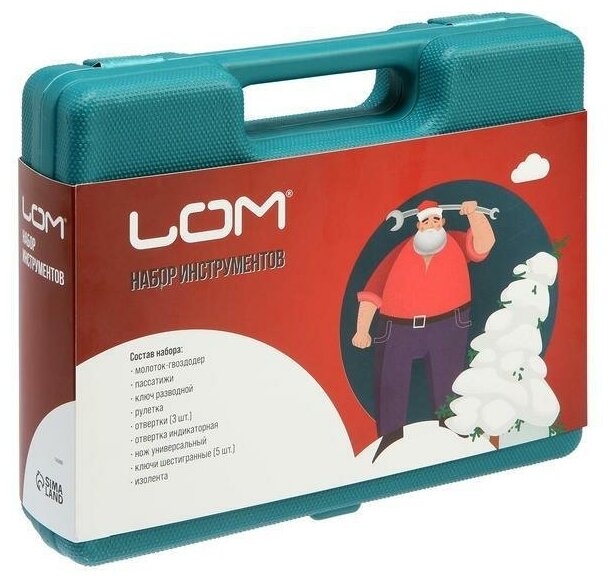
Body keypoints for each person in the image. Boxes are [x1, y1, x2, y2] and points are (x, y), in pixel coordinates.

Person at [352, 200, 496, 462]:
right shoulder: (399, 253)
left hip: (447, 326)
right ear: (418, 225)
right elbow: (372, 292)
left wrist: (474, 215)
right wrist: (362, 330)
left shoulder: (456, 241)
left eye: (435, 220)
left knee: (449, 383)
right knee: (390, 384)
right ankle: (389, 442)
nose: (431, 225)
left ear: (443, 222)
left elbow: (484, 244)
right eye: (426, 221)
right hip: (399, 329)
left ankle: (453, 437)